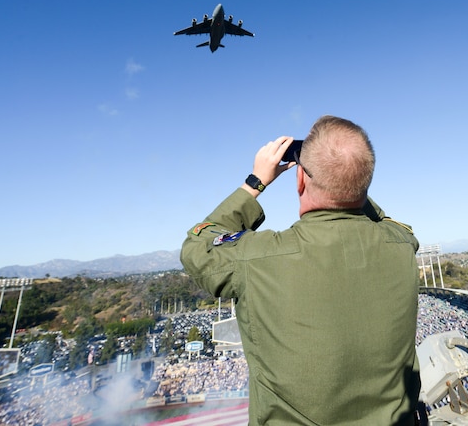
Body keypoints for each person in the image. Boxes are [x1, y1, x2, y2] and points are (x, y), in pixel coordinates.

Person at [180, 115, 421, 425]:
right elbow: (380, 218)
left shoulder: (258, 259)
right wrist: (346, 173)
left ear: (300, 179)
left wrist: (256, 181)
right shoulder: (401, 245)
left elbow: (197, 246)